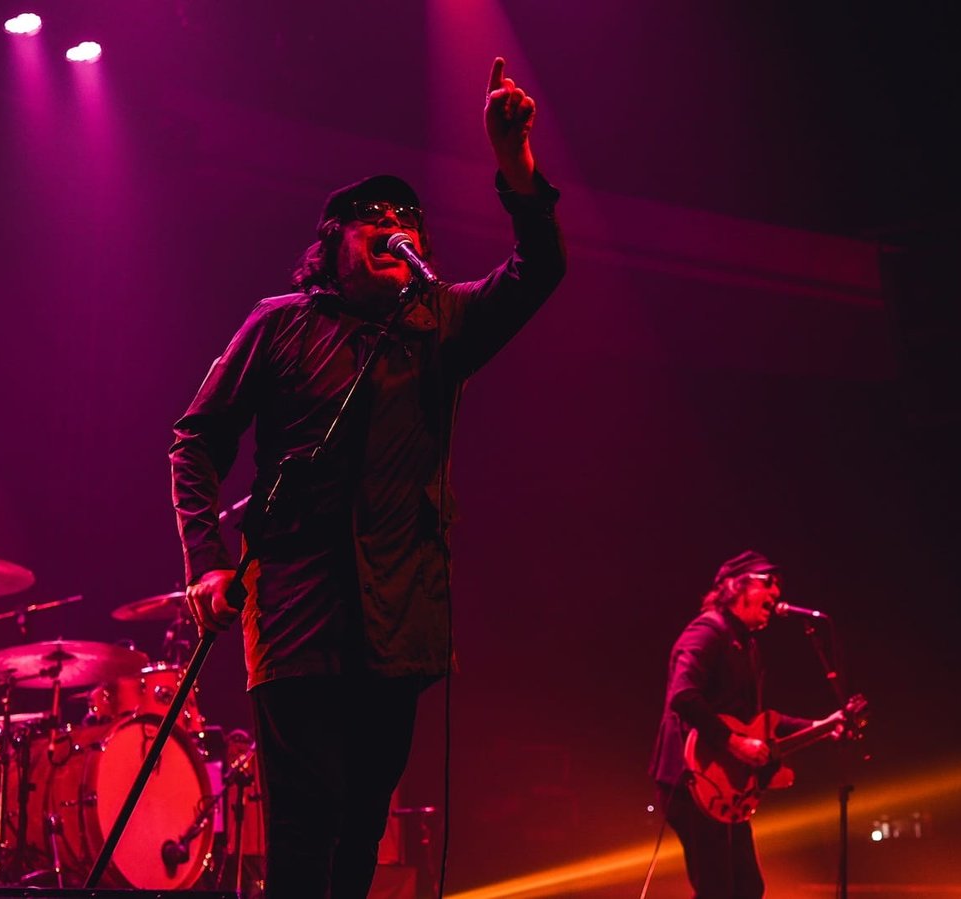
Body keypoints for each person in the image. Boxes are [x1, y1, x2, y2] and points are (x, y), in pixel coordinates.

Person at [170, 56, 565, 899]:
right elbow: (196, 439)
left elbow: (541, 271)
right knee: (304, 827)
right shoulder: (280, 327)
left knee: (363, 824)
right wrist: (205, 559)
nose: (399, 228)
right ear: (333, 242)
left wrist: (513, 163)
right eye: (376, 219)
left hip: (402, 619)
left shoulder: (441, 323)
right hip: (297, 614)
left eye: (411, 220)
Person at [648, 550, 848, 899]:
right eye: (767, 582)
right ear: (732, 586)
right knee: (718, 891)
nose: (776, 592)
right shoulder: (706, 632)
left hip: (725, 786)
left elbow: (760, 724)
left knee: (746, 889)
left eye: (778, 587)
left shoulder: (747, 646)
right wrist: (734, 743)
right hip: (693, 779)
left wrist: (821, 725)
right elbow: (683, 694)